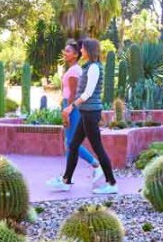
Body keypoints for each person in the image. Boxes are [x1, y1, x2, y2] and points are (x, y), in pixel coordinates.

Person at [49, 38, 118, 194]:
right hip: (86, 112)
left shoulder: (94, 67)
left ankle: (112, 184)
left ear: (89, 50)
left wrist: (71, 107)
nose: (81, 51)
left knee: (98, 148)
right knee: (73, 145)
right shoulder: (88, 67)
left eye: (83, 49)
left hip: (91, 113)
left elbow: (87, 93)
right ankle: (66, 180)